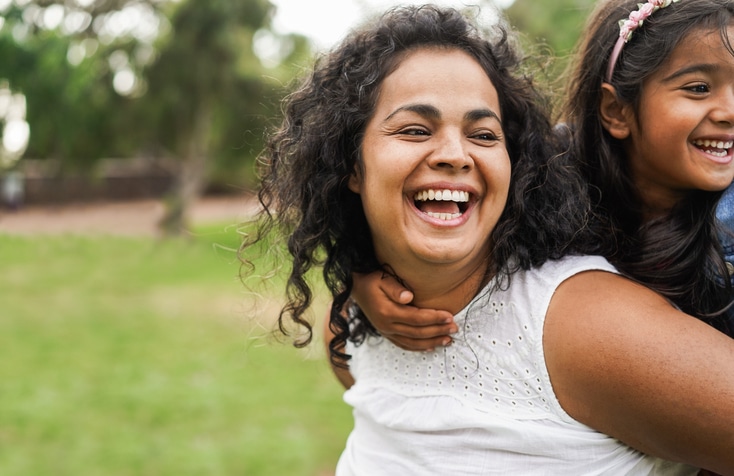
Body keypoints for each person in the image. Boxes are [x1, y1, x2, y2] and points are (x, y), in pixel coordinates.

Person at [243, 4, 734, 474]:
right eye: (415, 130)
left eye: (483, 135)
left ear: (516, 165)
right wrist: (358, 279)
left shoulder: (585, 329)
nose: (455, 154)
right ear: (349, 163)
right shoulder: (358, 324)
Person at [355, 0, 734, 351]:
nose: (729, 111)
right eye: (699, 88)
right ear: (616, 111)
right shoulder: (547, 172)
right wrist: (366, 281)